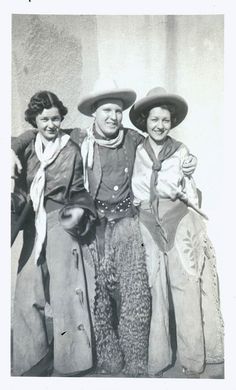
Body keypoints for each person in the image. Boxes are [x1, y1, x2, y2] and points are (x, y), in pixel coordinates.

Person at [11, 80, 197, 377]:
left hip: (126, 221)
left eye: (118, 111)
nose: (113, 117)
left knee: (134, 293)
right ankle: (106, 357)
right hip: (94, 223)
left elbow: (165, 145)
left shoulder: (133, 139)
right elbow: (36, 132)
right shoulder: (80, 138)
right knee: (96, 295)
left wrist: (188, 161)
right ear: (94, 114)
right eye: (107, 110)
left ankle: (136, 357)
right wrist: (11, 148)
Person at [130, 87, 224, 377]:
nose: (160, 125)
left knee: (184, 288)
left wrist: (190, 168)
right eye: (155, 119)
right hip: (148, 222)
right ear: (145, 120)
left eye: (166, 120)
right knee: (155, 289)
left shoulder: (181, 152)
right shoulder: (137, 150)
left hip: (177, 221)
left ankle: (193, 359)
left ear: (172, 123)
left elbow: (187, 181)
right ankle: (158, 359)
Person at [11, 91, 97, 376]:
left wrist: (79, 211)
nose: (50, 124)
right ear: (35, 120)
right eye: (44, 119)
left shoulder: (71, 150)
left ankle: (72, 361)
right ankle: (33, 359)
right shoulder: (24, 148)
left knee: (65, 293)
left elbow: (79, 190)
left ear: (62, 118)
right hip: (33, 225)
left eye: (56, 118)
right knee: (27, 291)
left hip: (60, 222)